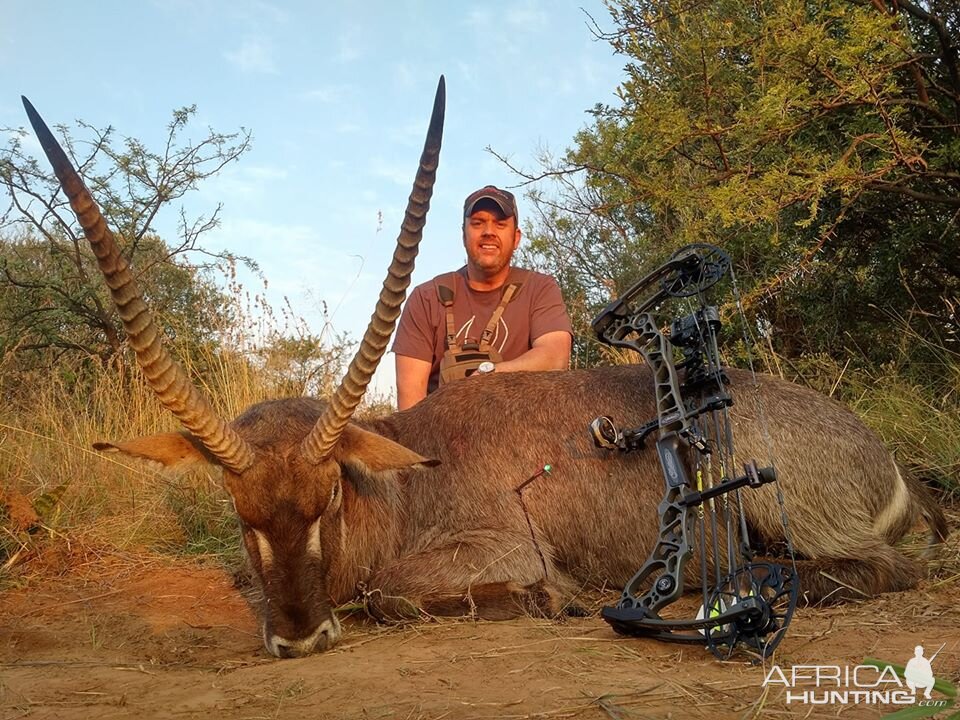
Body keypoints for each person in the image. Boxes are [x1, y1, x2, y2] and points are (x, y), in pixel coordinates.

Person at [392, 185, 572, 410]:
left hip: (523, 433)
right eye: (477, 223)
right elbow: (410, 405)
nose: (488, 231)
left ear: (516, 238)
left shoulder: (540, 288)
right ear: (464, 234)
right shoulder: (426, 298)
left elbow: (556, 357)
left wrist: (490, 375)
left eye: (500, 224)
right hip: (443, 435)